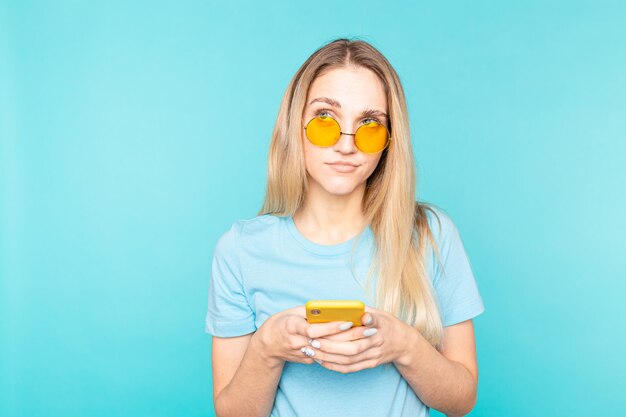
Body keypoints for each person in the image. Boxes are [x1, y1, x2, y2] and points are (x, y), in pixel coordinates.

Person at [205, 38, 485, 417]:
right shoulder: (239, 250)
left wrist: (403, 345)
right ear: (295, 125)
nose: (346, 145)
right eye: (325, 120)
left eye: (369, 125)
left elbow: (462, 400)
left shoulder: (431, 235)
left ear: (389, 141)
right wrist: (267, 347)